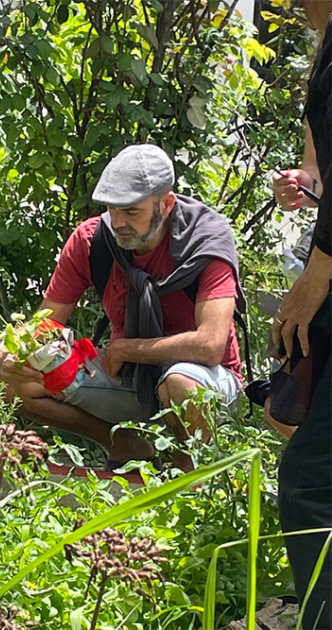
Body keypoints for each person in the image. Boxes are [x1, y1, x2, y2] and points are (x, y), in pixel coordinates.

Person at [0, 144, 244, 473]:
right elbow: (45, 324)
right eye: (112, 210)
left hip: (206, 382)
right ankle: (122, 442)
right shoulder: (92, 241)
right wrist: (6, 351)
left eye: (131, 211)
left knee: (180, 383)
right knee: (5, 382)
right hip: (128, 379)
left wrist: (125, 349)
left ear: (166, 204)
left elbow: (210, 346)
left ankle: (188, 474)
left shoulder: (206, 239)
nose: (118, 222)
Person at [272, 2, 332, 626]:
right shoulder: (324, 51)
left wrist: (311, 287)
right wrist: (305, 181)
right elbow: (324, 172)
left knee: (311, 482)